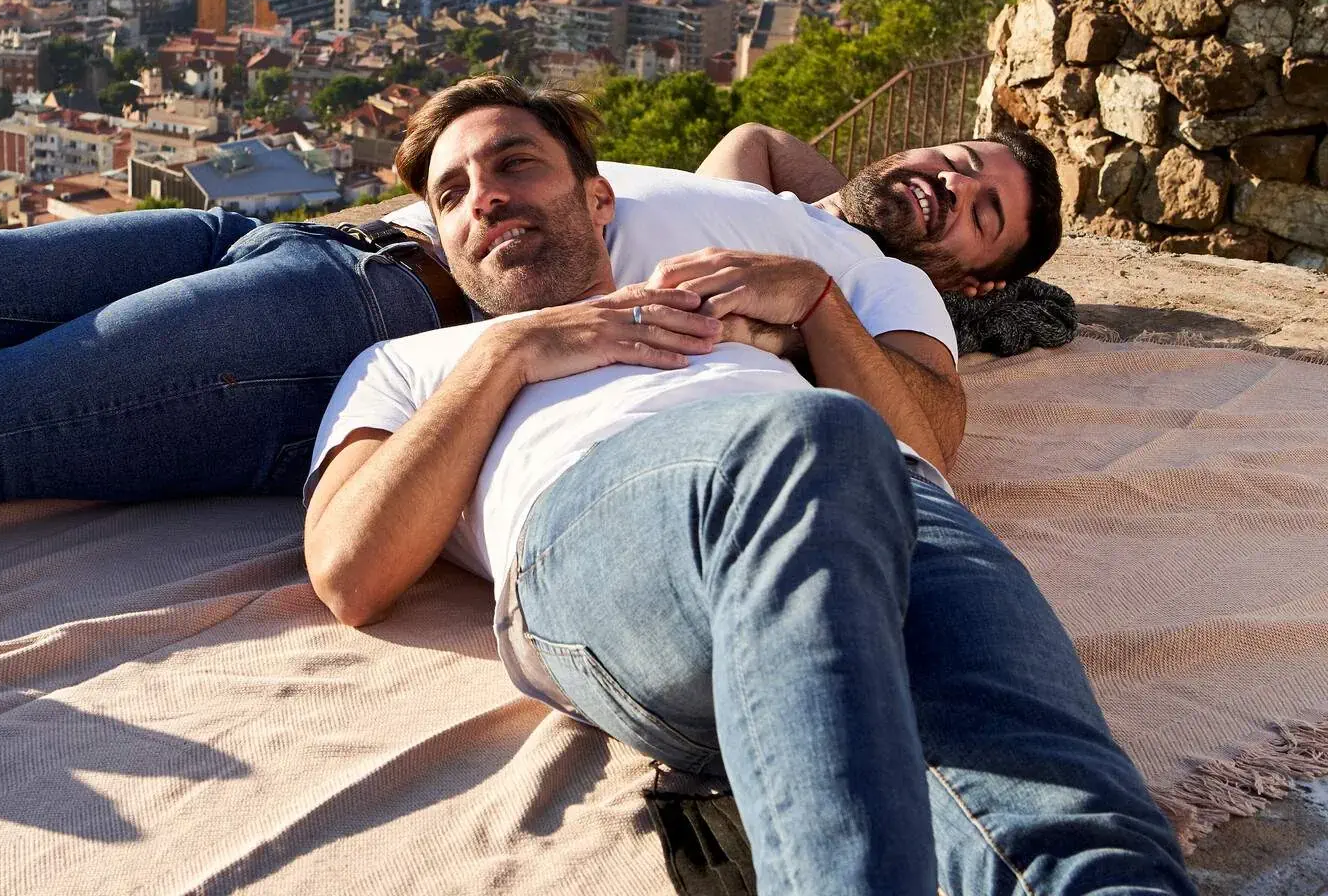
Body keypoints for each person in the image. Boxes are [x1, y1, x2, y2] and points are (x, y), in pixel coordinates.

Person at [0, 82, 1059, 593]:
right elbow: (763, 150)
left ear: (979, 282)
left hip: (370, 308)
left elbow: (923, 441)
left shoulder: (890, 298)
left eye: (981, 205)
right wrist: (802, 184)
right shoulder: (779, 192)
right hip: (324, 227)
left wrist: (843, 280)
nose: (947, 181)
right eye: (958, 153)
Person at [303, 79, 1188, 894]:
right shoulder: (412, 365)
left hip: (881, 501)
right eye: (451, 194)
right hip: (620, 531)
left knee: (1077, 830)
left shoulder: (737, 305)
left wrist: (814, 300)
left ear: (598, 198)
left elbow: (922, 440)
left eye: (515, 164)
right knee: (818, 435)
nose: (485, 196)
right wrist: (510, 353)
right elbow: (350, 573)